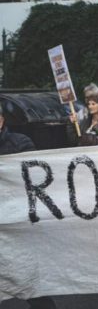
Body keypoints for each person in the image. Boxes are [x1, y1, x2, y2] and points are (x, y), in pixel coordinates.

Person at [0, 105, 58, 309]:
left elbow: (32, 176)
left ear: (1, 121)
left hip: (16, 224)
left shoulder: (20, 143)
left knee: (27, 281)